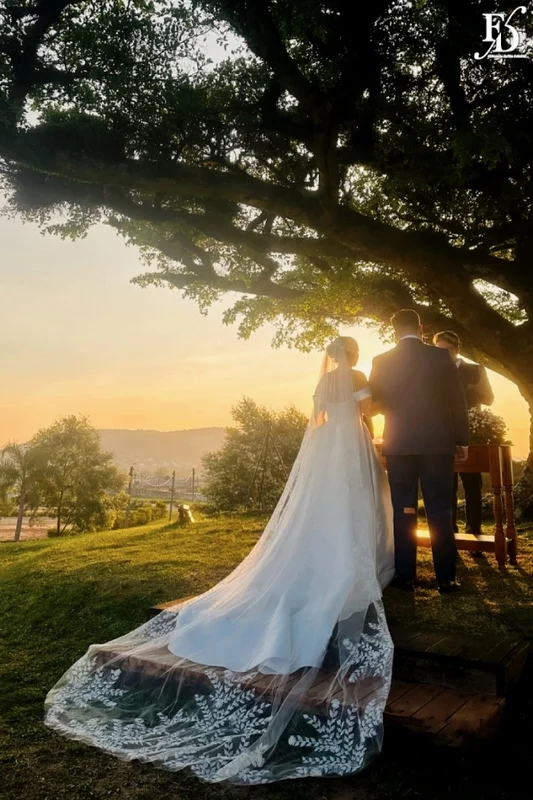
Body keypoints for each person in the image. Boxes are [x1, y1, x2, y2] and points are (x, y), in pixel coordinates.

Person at [44, 337, 395, 785]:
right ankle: (359, 561)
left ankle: (324, 559)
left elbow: (319, 418)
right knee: (361, 503)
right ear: (354, 354)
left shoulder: (326, 380)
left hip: (326, 449)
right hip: (352, 448)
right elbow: (365, 415)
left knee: (322, 512)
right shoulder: (358, 378)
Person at [369, 310, 470, 594]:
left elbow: (374, 403)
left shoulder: (381, 360)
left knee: (404, 509)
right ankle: (446, 578)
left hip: (399, 446)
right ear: (421, 328)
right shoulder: (440, 357)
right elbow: (457, 402)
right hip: (437, 445)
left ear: (394, 332)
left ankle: (405, 576)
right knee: (440, 509)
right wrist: (462, 440)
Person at [433, 331, 494, 538]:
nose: (444, 355)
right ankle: (450, 532)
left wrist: (465, 392)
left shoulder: (475, 370)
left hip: (470, 432)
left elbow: (489, 398)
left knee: (472, 485)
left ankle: (474, 530)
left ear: (457, 349)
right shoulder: (431, 372)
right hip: (441, 433)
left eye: (447, 350)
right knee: (447, 486)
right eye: (439, 350)